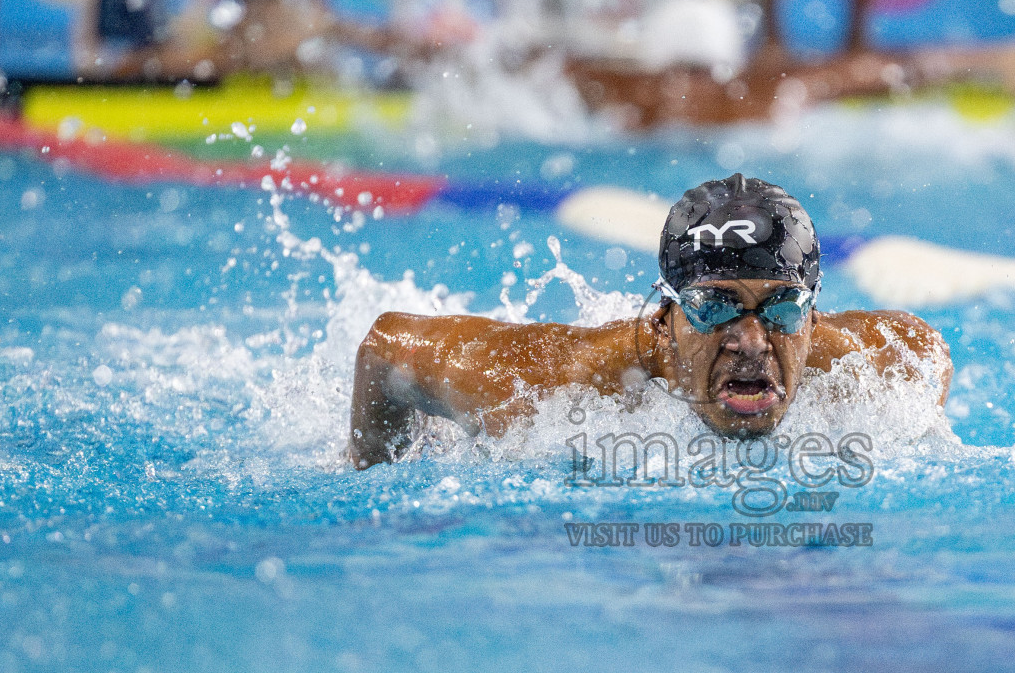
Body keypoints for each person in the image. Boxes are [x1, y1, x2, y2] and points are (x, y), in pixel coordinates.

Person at [348, 174, 952, 468]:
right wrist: (378, 475)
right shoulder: (554, 385)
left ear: (813, 316)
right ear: (666, 316)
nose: (749, 341)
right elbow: (386, 345)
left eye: (782, 307)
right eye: (713, 306)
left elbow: (928, 350)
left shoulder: (871, 366)